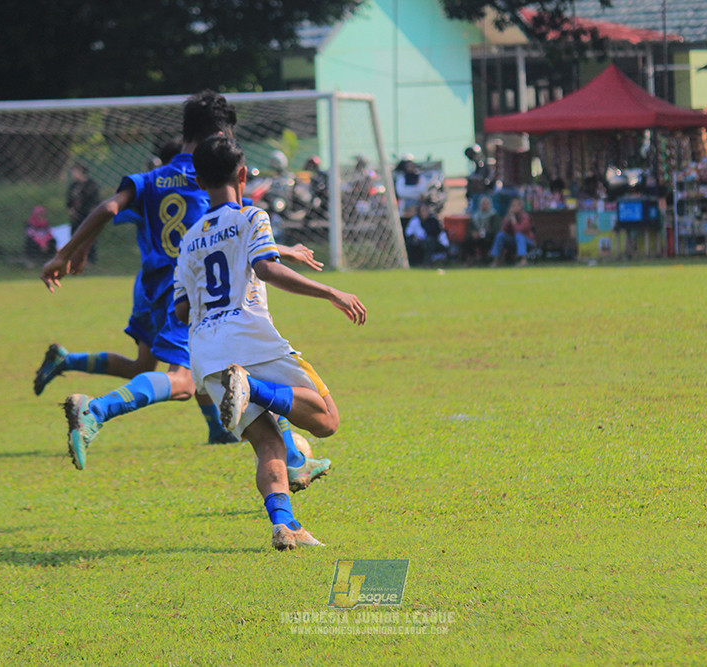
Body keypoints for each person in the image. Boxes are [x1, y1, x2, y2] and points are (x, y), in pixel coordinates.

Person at [40, 91, 328, 492]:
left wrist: (70, 252)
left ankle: (280, 455)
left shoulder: (152, 178)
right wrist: (277, 249)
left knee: (186, 364)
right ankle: (96, 409)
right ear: (223, 134)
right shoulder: (205, 179)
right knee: (185, 380)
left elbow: (108, 209)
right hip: (194, 293)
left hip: (152, 285)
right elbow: (224, 235)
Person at [173, 134, 367, 549]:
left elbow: (180, 311)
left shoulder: (187, 240)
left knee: (267, 442)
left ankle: (285, 526)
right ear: (243, 175)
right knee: (327, 420)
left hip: (206, 353)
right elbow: (265, 269)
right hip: (249, 338)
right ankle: (252, 388)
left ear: (199, 179)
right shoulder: (251, 217)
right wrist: (331, 292)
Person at [66, 163, 101, 264]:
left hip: (88, 215)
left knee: (89, 237)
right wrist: (71, 209)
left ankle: (89, 259)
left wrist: (91, 212)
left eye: (75, 171)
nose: (73, 173)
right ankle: (74, 259)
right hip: (76, 216)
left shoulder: (91, 184)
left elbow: (95, 201)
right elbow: (69, 200)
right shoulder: (74, 185)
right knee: (75, 236)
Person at [490, 197, 537, 266]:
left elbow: (519, 230)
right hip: (512, 240)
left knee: (519, 236)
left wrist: (514, 222)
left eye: (515, 205)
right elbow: (503, 230)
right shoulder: (509, 216)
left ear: (520, 207)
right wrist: (507, 220)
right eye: (512, 206)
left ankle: (523, 260)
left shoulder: (525, 217)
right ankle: (496, 260)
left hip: (527, 240)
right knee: (500, 235)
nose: (512, 207)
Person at [404, 202, 448, 266]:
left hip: (433, 242)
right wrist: (415, 237)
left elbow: (436, 233)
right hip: (418, 242)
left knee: (429, 241)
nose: (424, 213)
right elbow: (408, 232)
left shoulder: (433, 221)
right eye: (422, 211)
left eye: (425, 210)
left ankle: (429, 261)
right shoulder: (415, 221)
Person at [462, 195, 500, 265]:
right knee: (468, 239)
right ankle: (470, 259)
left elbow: (495, 229)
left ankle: (490, 259)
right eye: (483, 204)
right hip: (477, 237)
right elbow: (470, 229)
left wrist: (483, 234)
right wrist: (474, 234)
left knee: (492, 239)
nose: (484, 205)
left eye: (486, 203)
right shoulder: (476, 216)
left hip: (489, 236)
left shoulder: (494, 216)